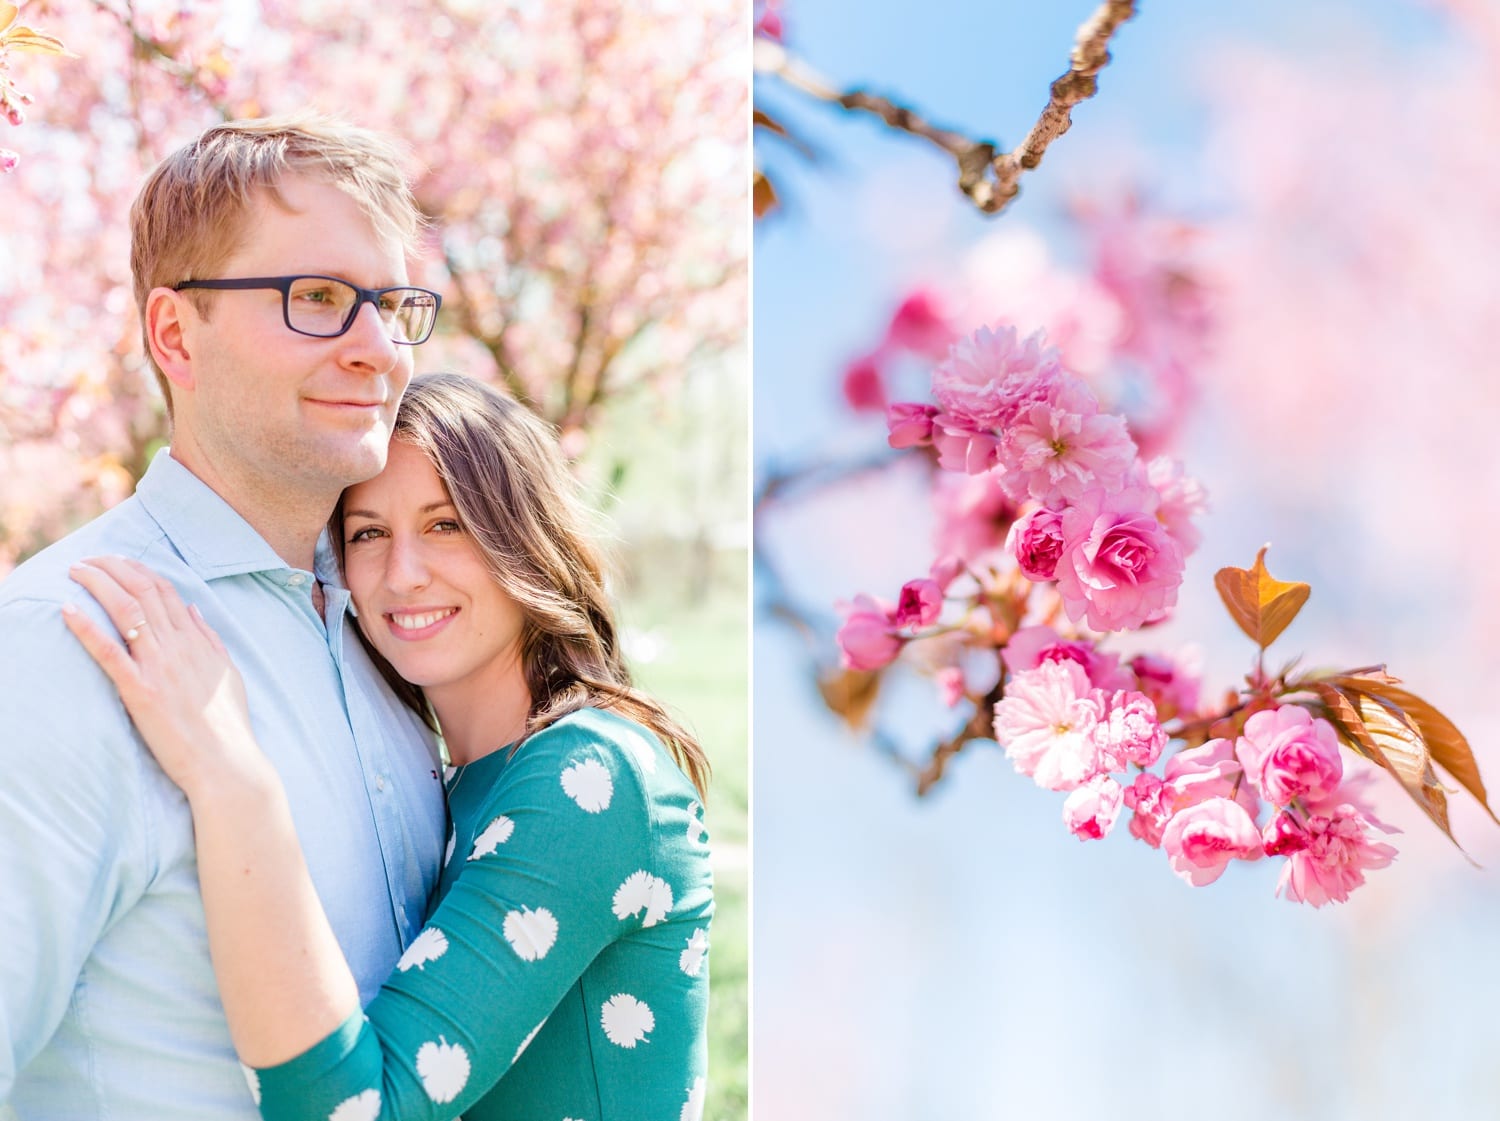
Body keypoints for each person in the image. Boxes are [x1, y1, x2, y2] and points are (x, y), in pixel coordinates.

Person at [63, 372, 715, 1120]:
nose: (403, 574)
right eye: (369, 532)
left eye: (446, 524)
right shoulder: (453, 779)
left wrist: (229, 777)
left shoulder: (592, 775)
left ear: (525, 539)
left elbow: (359, 1108)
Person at [0, 116, 448, 1116]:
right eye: (321, 299)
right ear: (173, 335)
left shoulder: (396, 630)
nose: (378, 350)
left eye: (393, 304)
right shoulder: (62, 642)